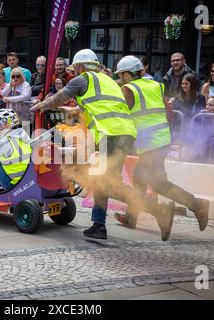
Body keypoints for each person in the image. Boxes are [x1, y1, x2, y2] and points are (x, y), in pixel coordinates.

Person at [31, 49, 175, 241]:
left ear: (81, 66)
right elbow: (98, 106)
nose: (73, 72)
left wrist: (42, 105)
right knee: (107, 181)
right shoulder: (107, 81)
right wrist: (73, 110)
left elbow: (61, 96)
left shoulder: (82, 80)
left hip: (110, 134)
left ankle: (153, 211)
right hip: (126, 133)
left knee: (104, 181)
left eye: (75, 68)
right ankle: (101, 224)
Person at [114, 55, 209, 234]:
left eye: (120, 75)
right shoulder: (155, 85)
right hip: (161, 139)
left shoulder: (128, 89)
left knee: (155, 183)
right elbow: (168, 110)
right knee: (145, 181)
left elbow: (121, 114)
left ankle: (197, 205)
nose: (120, 78)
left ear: (127, 74)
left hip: (150, 143)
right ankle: (131, 217)